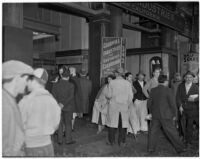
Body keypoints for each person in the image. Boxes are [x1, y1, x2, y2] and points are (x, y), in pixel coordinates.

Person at [18, 68, 61, 157]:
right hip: (48, 147)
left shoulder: (26, 101)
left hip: (30, 147)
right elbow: (56, 125)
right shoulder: (52, 100)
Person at [147, 74, 185, 154]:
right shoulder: (168, 90)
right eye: (167, 81)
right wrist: (175, 115)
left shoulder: (153, 90)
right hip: (166, 115)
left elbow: (149, 103)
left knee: (153, 132)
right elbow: (173, 104)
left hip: (155, 115)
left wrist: (151, 113)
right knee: (172, 132)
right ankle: (180, 148)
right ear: (165, 81)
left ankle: (151, 148)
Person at [2, 60, 34, 156]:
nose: (27, 84)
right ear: (17, 78)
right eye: (26, 79)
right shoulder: (4, 104)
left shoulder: (9, 99)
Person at [106, 68, 133, 146]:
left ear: (116, 74)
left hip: (114, 106)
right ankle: (122, 142)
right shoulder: (127, 83)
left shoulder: (112, 83)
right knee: (123, 124)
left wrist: (108, 97)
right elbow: (131, 96)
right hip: (124, 106)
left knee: (112, 124)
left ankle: (111, 141)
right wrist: (127, 104)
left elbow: (109, 95)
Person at [52, 69, 76, 145]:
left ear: (61, 76)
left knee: (60, 123)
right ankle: (68, 140)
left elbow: (53, 96)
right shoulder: (71, 85)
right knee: (68, 124)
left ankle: (60, 140)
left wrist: (59, 104)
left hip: (58, 107)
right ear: (68, 77)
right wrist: (63, 104)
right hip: (68, 107)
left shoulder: (55, 85)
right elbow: (71, 96)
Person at [176, 71, 199, 146]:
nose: (188, 79)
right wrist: (180, 106)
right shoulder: (181, 86)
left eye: (190, 77)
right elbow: (178, 97)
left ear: (193, 78)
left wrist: (195, 99)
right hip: (183, 108)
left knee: (189, 125)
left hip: (192, 109)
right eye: (187, 77)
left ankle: (188, 140)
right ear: (185, 78)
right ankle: (183, 136)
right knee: (182, 124)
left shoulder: (196, 87)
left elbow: (199, 97)